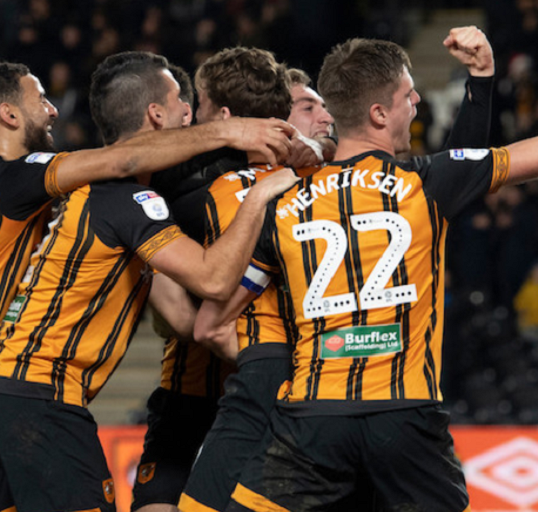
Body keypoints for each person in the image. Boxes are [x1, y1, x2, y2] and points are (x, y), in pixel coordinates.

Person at [227, 26, 538, 511]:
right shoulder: (425, 184)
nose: (418, 100)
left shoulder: (282, 200)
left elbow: (219, 310)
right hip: (403, 420)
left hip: (310, 419)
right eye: (408, 94)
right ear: (379, 113)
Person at [0, 60, 294, 512]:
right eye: (40, 98)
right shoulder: (18, 178)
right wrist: (240, 146)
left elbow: (181, 318)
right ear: (9, 116)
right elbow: (128, 159)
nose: (54, 111)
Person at [182, 26, 497, 512]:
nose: (324, 113)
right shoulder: (251, 190)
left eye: (324, 103)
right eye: (307, 106)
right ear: (271, 124)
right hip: (293, 381)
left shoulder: (336, 185)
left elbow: (453, 171)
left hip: (325, 388)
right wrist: (264, 355)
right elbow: (200, 306)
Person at [134, 47, 308, 512]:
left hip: (205, 382)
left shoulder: (185, 190)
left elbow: (123, 159)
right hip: (281, 380)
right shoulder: (311, 184)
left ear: (225, 115)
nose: (193, 118)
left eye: (203, 108)